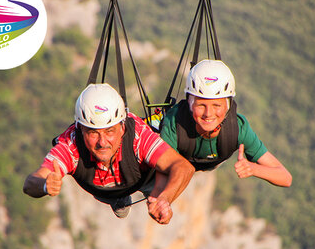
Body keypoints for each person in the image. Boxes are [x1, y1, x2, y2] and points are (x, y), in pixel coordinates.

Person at [23, 83, 195, 224]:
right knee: (117, 199)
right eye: (93, 133)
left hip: (141, 178)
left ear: (122, 127)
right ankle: (119, 200)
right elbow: (31, 182)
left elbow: (183, 167)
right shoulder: (70, 144)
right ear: (80, 129)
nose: (102, 142)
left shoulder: (137, 136)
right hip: (104, 191)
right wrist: (45, 185)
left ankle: (148, 194)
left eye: (109, 131)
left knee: (158, 186)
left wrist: (165, 198)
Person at [160, 59, 292, 187]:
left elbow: (285, 178)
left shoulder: (237, 129)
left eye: (216, 105)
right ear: (189, 104)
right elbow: (160, 180)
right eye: (201, 105)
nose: (208, 113)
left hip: (210, 159)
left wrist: (253, 169)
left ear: (228, 106)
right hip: (175, 163)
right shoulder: (174, 123)